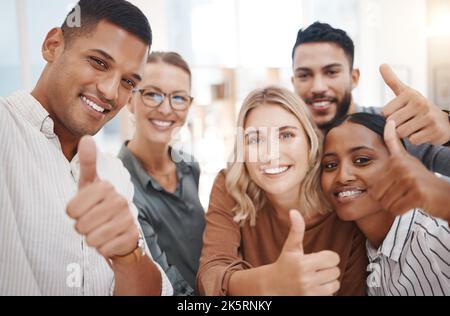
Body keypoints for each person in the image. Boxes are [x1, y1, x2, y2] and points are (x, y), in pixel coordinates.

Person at [0, 0, 172, 296]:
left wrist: (127, 256)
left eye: (128, 81)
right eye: (99, 62)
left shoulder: (112, 172)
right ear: (53, 45)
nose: (110, 91)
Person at [197, 86, 367, 296]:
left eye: (286, 135)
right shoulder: (230, 185)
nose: (270, 154)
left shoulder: (342, 197)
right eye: (255, 139)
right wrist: (269, 283)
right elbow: (210, 276)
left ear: (310, 141)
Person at [291, 22, 450, 176]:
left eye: (331, 72)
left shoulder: (395, 128)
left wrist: (448, 129)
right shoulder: (288, 142)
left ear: (353, 78)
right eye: (304, 75)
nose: (318, 87)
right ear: (294, 82)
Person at [321, 112, 450, 295]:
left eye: (362, 160)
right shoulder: (361, 249)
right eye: (330, 165)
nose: (342, 176)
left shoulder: (433, 235)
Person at [118, 52, 205, 296]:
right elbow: (159, 278)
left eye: (179, 98)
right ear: (130, 100)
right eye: (152, 94)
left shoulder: (190, 167)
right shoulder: (120, 184)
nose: (166, 109)